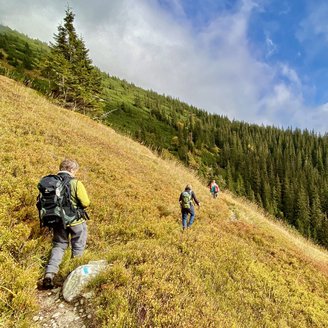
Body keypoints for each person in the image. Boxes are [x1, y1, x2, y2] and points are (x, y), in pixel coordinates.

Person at [42, 159, 90, 289]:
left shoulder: (51, 182)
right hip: (76, 222)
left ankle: (49, 274)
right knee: (78, 248)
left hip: (58, 221)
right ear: (71, 170)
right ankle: (74, 277)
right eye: (75, 171)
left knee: (59, 246)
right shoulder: (75, 183)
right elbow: (85, 202)